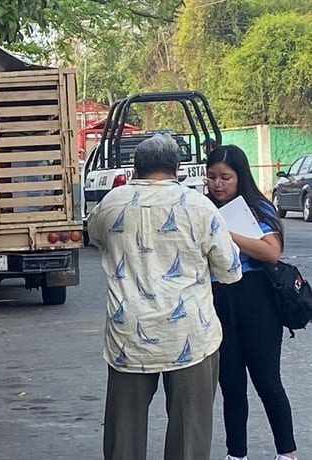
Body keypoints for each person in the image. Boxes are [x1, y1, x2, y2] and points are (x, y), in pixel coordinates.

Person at [88, 133, 243, 460]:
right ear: (177, 167)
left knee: (123, 438)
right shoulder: (200, 207)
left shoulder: (110, 205)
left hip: (129, 335)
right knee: (190, 434)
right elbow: (230, 270)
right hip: (189, 335)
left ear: (135, 167)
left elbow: (96, 238)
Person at [205, 145, 298, 460]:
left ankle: (286, 452)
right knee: (231, 384)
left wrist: (226, 233)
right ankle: (237, 454)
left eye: (226, 178)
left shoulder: (257, 207)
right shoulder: (201, 208)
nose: (218, 184)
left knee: (267, 381)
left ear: (239, 177)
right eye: (212, 176)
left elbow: (271, 252)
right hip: (218, 301)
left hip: (257, 300)